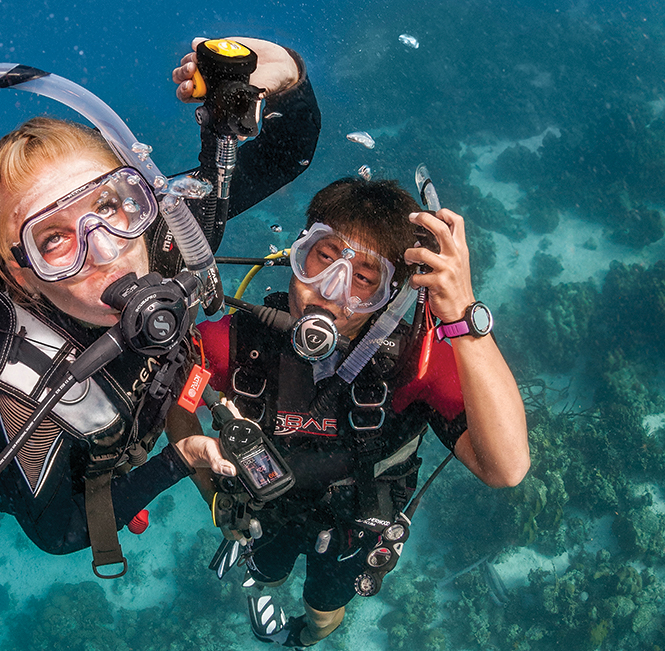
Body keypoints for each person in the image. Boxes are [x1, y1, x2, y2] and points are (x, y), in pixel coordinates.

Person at [0, 37, 321, 576]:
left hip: (140, 397)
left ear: (140, 195)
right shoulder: (17, 391)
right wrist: (176, 461)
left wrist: (287, 75)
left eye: (107, 204)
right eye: (53, 240)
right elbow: (60, 532)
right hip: (53, 442)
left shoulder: (164, 233)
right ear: (18, 271)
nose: (106, 249)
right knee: (6, 485)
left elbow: (291, 153)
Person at [196, 177, 530, 646]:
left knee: (325, 608)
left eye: (366, 279)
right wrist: (215, 495)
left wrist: (461, 310)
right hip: (265, 513)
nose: (331, 291)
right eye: (323, 258)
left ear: (394, 294)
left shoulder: (418, 365)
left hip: (355, 530)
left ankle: (305, 636)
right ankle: (263, 595)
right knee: (265, 573)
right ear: (296, 252)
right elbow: (174, 398)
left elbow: (507, 466)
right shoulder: (236, 343)